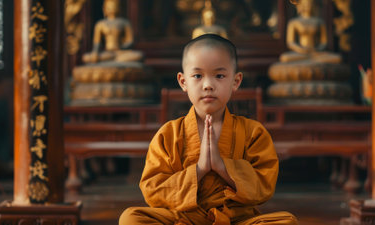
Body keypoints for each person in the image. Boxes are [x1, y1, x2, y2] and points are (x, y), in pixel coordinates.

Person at [119, 34, 297, 225]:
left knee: (287, 222)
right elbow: (153, 190)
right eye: (197, 76)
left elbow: (264, 185)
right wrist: (200, 169)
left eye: (219, 76)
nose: (208, 85)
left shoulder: (253, 132)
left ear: (235, 81)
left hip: (236, 219)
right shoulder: (168, 134)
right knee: (130, 219)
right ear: (183, 82)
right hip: (184, 218)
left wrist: (222, 167)